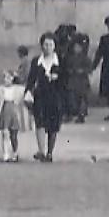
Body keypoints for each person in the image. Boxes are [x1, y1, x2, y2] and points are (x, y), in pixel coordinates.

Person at [24, 32, 67, 162]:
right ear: (41, 46)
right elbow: (31, 78)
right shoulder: (36, 61)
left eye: (50, 44)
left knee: (53, 125)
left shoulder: (60, 61)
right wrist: (28, 91)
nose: (48, 47)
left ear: (54, 46)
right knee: (40, 122)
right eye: (45, 44)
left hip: (56, 96)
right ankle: (41, 151)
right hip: (40, 95)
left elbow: (66, 80)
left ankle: (50, 152)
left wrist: (57, 78)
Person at [0, 69, 30, 162]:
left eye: (8, 77)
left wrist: (28, 99)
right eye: (4, 77)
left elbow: (26, 96)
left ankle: (15, 152)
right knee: (5, 132)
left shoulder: (19, 89)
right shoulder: (0, 89)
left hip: (14, 111)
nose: (6, 79)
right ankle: (6, 153)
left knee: (14, 134)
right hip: (4, 110)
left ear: (12, 78)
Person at [63, 34, 93, 123]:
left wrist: (82, 71)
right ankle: (72, 114)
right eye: (75, 47)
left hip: (82, 81)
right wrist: (70, 71)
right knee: (72, 99)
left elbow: (89, 68)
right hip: (72, 81)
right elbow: (66, 67)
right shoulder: (69, 58)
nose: (76, 49)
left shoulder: (85, 58)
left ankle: (81, 116)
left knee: (82, 99)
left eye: (78, 47)